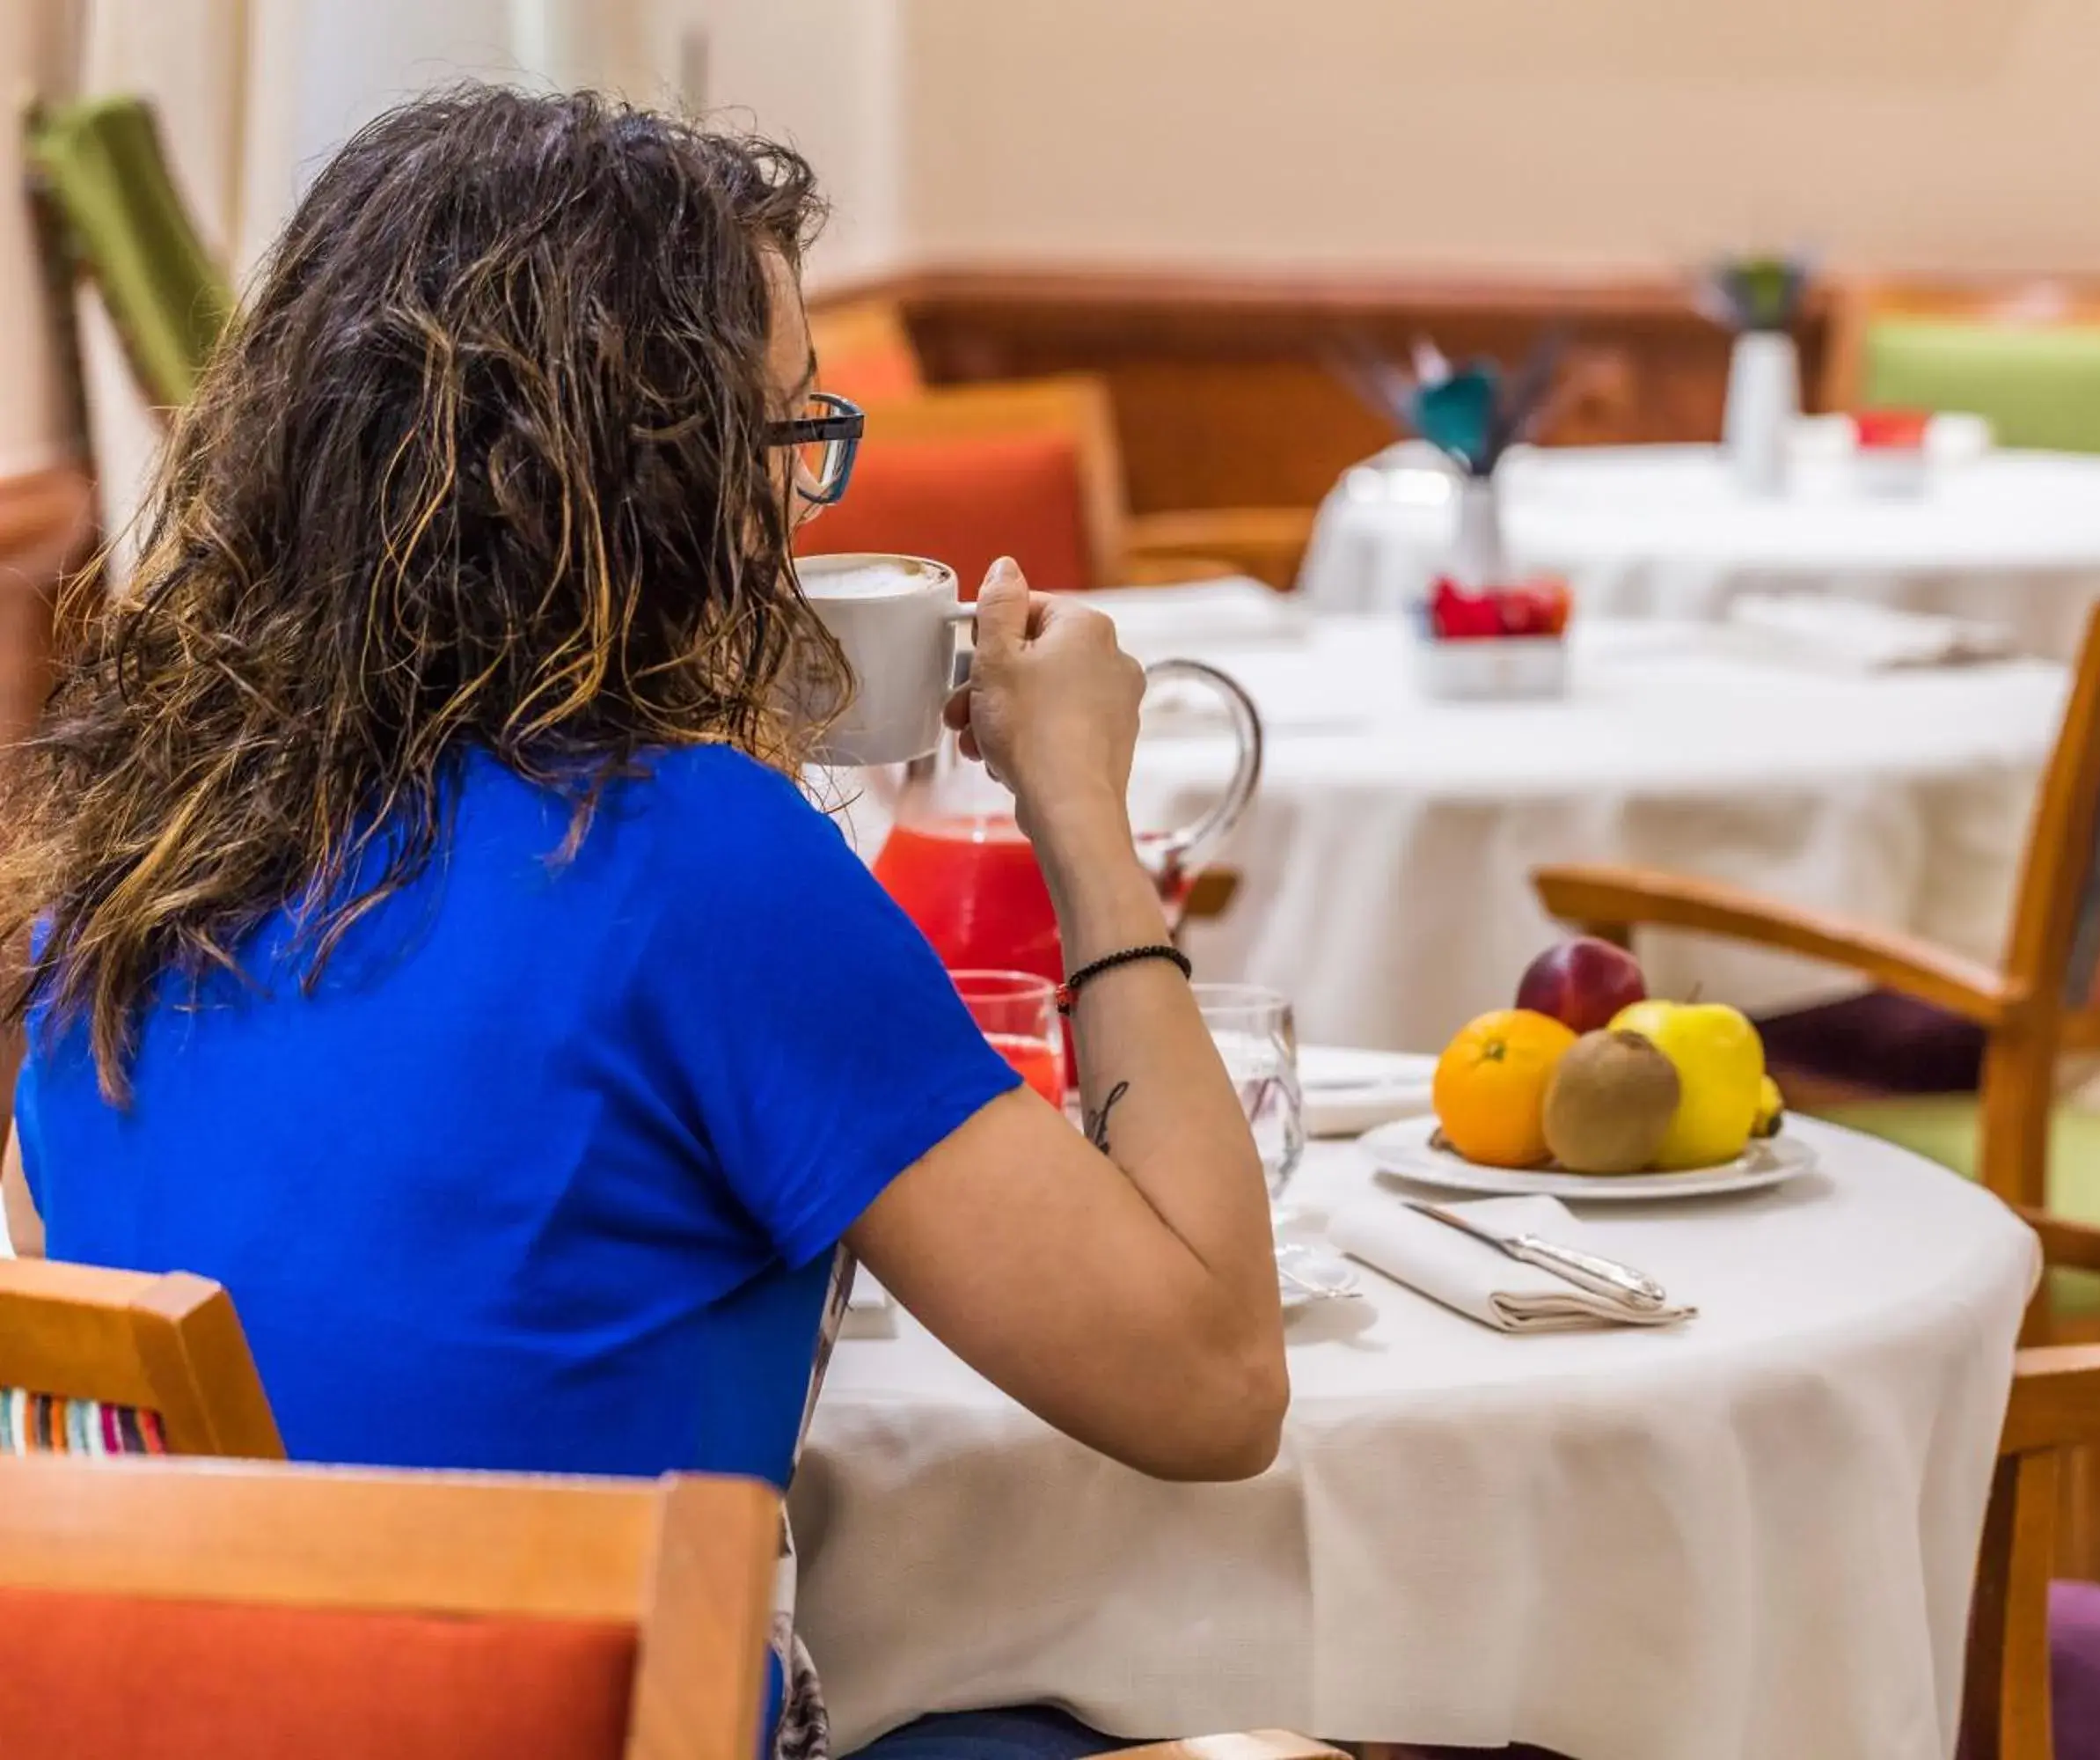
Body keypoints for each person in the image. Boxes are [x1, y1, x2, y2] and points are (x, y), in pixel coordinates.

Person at [0, 89, 1285, 1760]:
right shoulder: (690, 860)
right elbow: (1211, 1386)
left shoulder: (110, 857)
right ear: (651, 492)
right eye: (780, 438)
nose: (798, 513)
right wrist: (1083, 820)